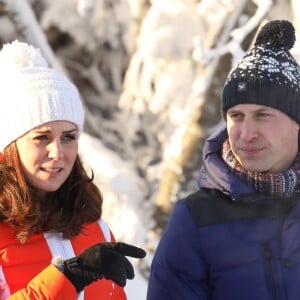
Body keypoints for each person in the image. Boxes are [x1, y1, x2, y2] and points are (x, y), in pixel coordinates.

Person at [147, 19, 300, 300]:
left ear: (296, 123)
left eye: (263, 115)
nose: (247, 133)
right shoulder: (195, 219)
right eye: (236, 116)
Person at [0, 40, 146, 300]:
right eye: (41, 137)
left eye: (68, 137)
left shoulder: (93, 226)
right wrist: (68, 277)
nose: (57, 152)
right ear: (10, 145)